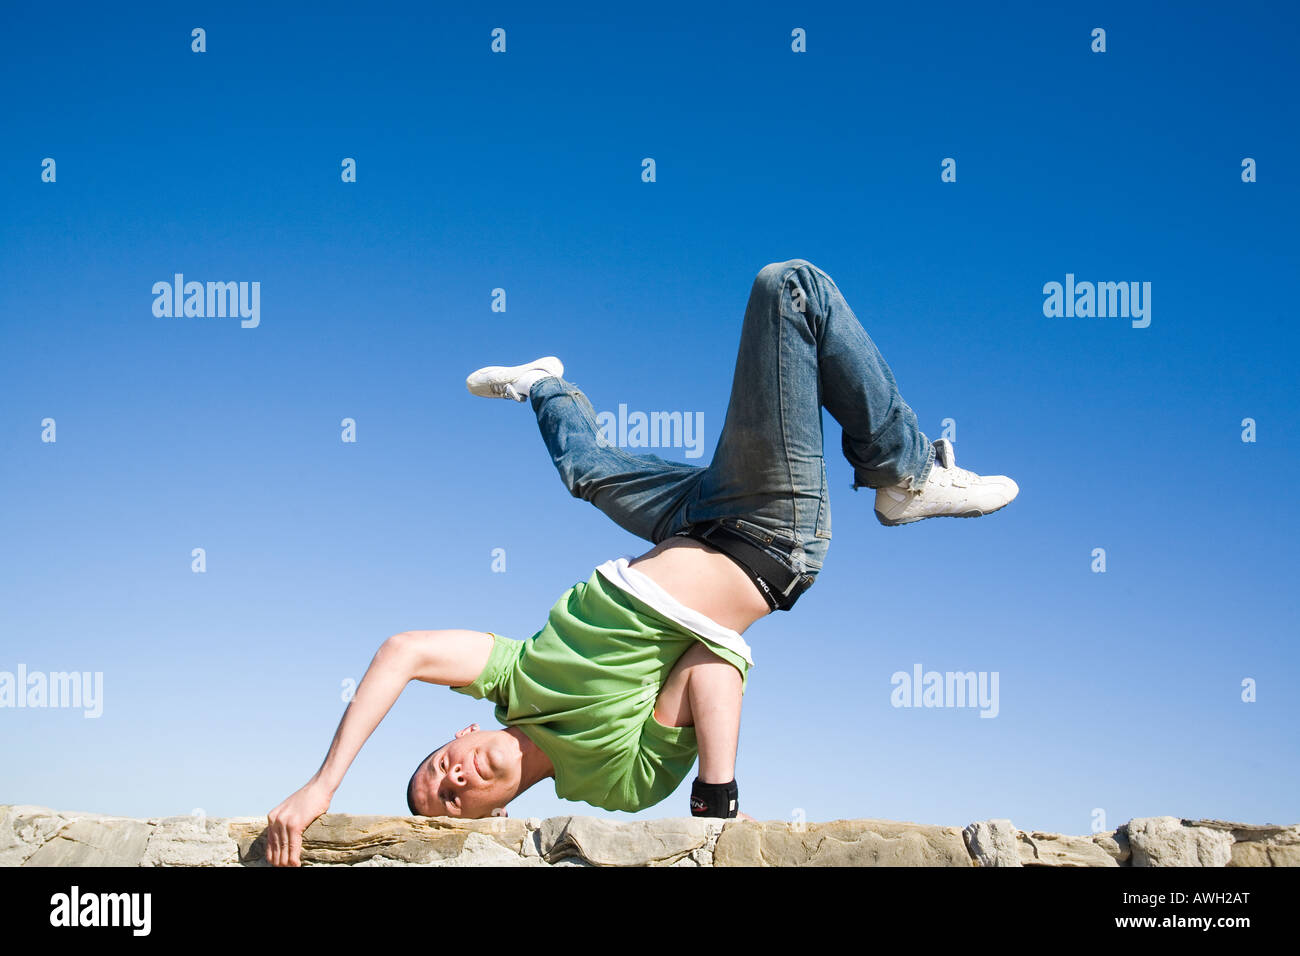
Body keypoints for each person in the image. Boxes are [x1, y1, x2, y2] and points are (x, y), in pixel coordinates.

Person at [264, 258, 1018, 866]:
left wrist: (322, 785)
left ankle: (544, 384)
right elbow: (714, 669)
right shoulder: (610, 780)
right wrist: (716, 804)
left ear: (458, 737)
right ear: (496, 814)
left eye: (439, 772)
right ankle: (906, 475)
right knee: (790, 290)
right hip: (764, 536)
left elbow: (403, 650)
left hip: (691, 519)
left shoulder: (511, 677)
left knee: (586, 472)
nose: (455, 782)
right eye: (455, 804)